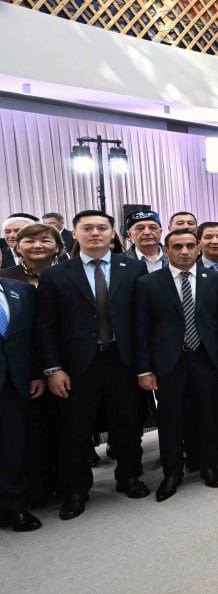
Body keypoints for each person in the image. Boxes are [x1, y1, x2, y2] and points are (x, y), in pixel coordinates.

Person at [37, 210, 151, 520]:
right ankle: (76, 490)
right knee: (75, 429)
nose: (95, 233)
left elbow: (142, 320)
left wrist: (144, 365)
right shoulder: (55, 274)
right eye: (87, 228)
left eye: (102, 227)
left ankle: (129, 476)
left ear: (113, 233)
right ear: (75, 234)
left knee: (127, 424)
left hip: (122, 360)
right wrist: (52, 369)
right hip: (76, 365)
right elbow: (45, 327)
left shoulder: (133, 267)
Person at [134, 230, 218, 501]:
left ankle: (209, 465)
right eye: (177, 246)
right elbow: (141, 329)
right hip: (168, 362)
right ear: (167, 250)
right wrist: (144, 369)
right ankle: (172, 472)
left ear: (198, 248)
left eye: (189, 246)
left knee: (208, 415)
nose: (184, 251)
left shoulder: (216, 279)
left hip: (206, 359)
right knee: (170, 419)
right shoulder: (148, 283)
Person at [0, 274, 43, 532]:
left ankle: (14, 505)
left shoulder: (21, 290)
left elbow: (33, 336)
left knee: (12, 445)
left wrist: (36, 373)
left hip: (14, 381)